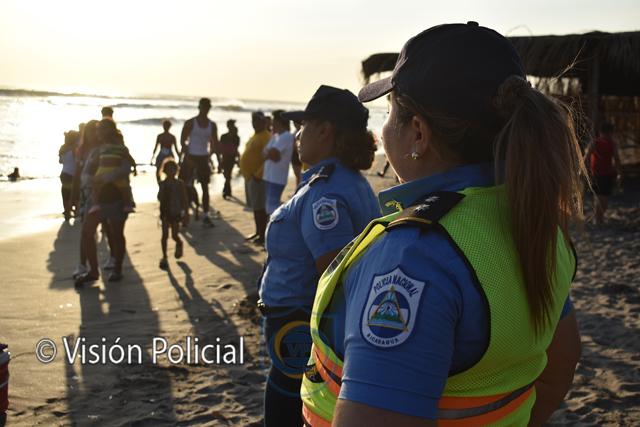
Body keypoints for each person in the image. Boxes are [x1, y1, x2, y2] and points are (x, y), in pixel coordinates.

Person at [301, 22, 584, 427]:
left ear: (418, 133)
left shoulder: (413, 257)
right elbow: (559, 368)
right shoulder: (537, 223)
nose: (383, 131)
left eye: (388, 114)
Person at [257, 85, 380, 427]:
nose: (298, 135)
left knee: (283, 405)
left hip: (298, 323)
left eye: (304, 125)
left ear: (324, 130)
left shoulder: (326, 191)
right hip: (298, 322)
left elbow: (335, 273)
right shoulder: (343, 181)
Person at [76, 118, 133, 283]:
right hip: (97, 197)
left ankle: (117, 269)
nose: (99, 132)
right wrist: (91, 180)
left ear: (112, 130)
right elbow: (85, 173)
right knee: (86, 233)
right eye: (98, 129)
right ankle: (94, 271)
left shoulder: (120, 148)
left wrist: (104, 178)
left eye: (103, 129)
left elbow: (125, 169)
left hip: (116, 197)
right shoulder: (96, 151)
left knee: (116, 234)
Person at [180, 98, 219, 227]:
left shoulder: (212, 125)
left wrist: (219, 160)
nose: (205, 109)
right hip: (191, 156)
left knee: (205, 187)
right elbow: (182, 140)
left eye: (208, 107)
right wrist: (187, 158)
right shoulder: (191, 123)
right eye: (204, 106)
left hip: (203, 158)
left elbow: (215, 143)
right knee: (183, 185)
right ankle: (183, 212)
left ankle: (206, 214)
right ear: (199, 107)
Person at [87, 123, 136, 214]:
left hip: (104, 170)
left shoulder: (109, 147)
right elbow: (131, 159)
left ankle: (95, 204)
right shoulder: (119, 148)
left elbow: (128, 163)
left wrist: (92, 161)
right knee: (123, 188)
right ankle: (127, 205)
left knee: (97, 186)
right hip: (109, 170)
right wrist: (135, 168)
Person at [239, 112, 271, 245]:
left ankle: (262, 235)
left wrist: (258, 175)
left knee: (260, 209)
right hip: (249, 177)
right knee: (255, 208)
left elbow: (268, 158)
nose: (256, 123)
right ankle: (258, 232)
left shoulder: (266, 136)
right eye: (254, 121)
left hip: (258, 178)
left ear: (264, 122)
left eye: (258, 121)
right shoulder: (255, 135)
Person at [584, 122, 623, 225]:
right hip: (608, 174)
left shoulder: (594, 142)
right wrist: (619, 174)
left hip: (596, 174)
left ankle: (597, 219)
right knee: (604, 197)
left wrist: (581, 170)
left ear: (600, 131)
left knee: (598, 197)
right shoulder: (612, 144)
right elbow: (617, 159)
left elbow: (586, 157)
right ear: (610, 132)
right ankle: (599, 218)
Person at [157, 158, 189, 269]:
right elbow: (159, 198)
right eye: (169, 170)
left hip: (176, 212)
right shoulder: (162, 184)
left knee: (174, 235)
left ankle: (178, 243)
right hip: (165, 212)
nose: (172, 172)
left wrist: (186, 213)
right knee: (164, 235)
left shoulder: (179, 183)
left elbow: (184, 198)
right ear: (165, 171)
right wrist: (161, 190)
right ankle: (164, 256)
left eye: (173, 169)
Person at [262, 110, 294, 214]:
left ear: (279, 122)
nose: (271, 124)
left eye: (273, 121)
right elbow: (264, 153)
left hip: (277, 178)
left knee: (272, 209)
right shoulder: (275, 136)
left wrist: (270, 154)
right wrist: (271, 154)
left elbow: (269, 153)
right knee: (268, 208)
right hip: (268, 177)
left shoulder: (286, 136)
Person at [151, 119, 179, 183]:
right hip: (161, 154)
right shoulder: (160, 136)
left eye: (167, 126)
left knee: (171, 170)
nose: (166, 127)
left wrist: (180, 157)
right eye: (165, 126)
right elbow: (156, 147)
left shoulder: (172, 137)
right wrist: (153, 157)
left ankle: (170, 183)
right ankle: (159, 182)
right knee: (158, 169)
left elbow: (176, 148)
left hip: (169, 154)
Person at [60, 130, 79, 220]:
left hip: (64, 173)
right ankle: (76, 210)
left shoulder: (62, 148)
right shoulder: (75, 149)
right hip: (73, 174)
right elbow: (78, 161)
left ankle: (67, 211)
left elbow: (60, 161)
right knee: (75, 193)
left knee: (66, 194)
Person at [219, 119, 240, 199]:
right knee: (226, 175)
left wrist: (237, 159)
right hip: (224, 158)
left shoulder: (236, 137)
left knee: (228, 174)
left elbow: (235, 149)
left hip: (231, 158)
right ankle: (228, 190)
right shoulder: (224, 136)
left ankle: (226, 191)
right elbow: (221, 147)